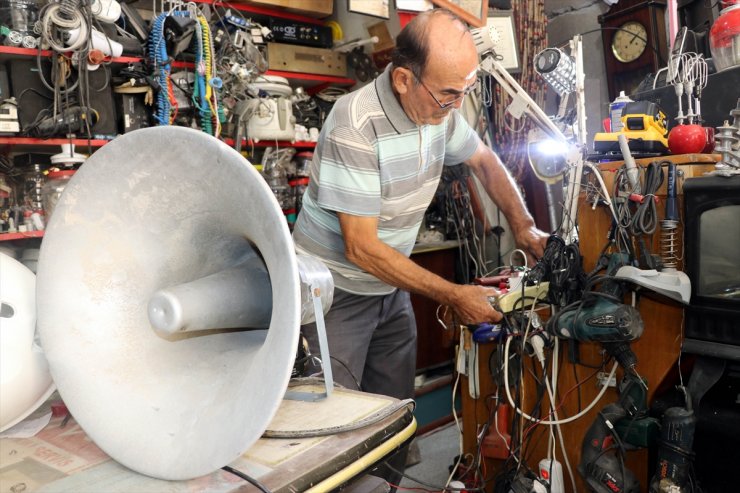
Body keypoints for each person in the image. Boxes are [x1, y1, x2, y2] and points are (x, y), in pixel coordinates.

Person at [293, 7, 548, 484]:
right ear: (404, 79)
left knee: (392, 419)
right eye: (449, 93)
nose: (456, 104)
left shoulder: (438, 112)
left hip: (388, 290)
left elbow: (486, 162)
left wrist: (525, 226)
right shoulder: (356, 123)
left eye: (465, 91)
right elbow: (361, 249)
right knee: (332, 431)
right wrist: (454, 294)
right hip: (333, 294)